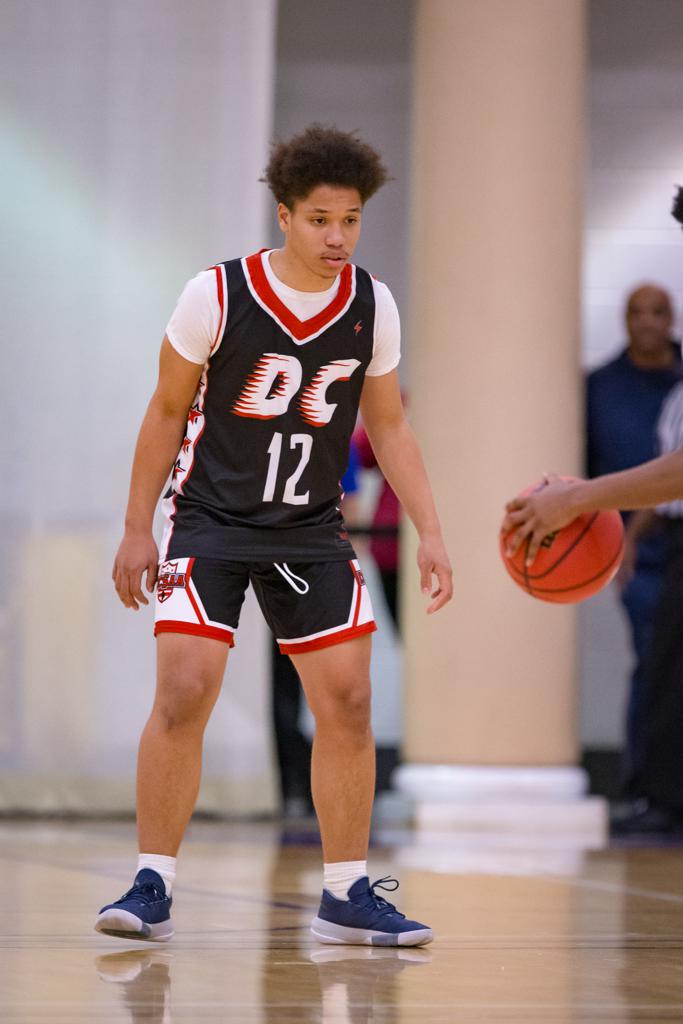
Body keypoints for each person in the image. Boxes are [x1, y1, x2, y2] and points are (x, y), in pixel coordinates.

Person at [95, 124, 452, 946]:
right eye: (321, 219)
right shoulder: (215, 293)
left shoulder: (372, 304)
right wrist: (135, 528)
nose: (337, 238)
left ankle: (345, 890)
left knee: (351, 702)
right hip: (212, 519)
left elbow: (391, 427)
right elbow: (163, 410)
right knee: (184, 692)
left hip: (308, 528)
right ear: (284, 215)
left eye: (352, 221)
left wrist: (429, 531)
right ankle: (153, 881)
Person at [585, 284, 680, 792]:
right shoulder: (600, 386)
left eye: (658, 311)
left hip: (667, 533)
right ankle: (647, 787)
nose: (647, 322)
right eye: (636, 312)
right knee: (656, 661)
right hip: (637, 552)